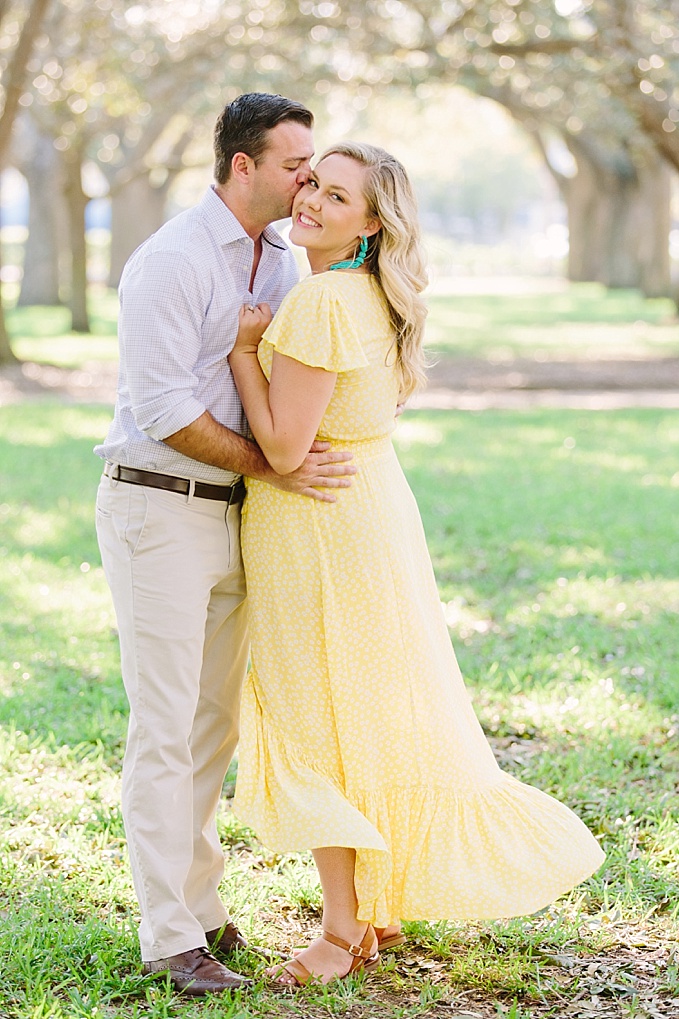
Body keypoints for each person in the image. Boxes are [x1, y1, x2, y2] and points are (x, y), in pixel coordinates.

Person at [227, 141, 606, 986]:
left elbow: (286, 447)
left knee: (318, 721)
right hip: (371, 517)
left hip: (316, 527)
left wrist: (242, 358)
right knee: (368, 713)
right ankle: (373, 907)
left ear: (370, 223)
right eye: (312, 185)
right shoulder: (370, 296)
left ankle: (339, 931)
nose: (313, 202)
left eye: (336, 196)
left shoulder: (322, 299)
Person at [94, 93, 358, 996]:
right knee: (164, 729)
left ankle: (200, 909)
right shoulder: (169, 260)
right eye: (295, 167)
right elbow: (165, 410)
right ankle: (169, 936)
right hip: (158, 507)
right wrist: (276, 466)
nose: (307, 182)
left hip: (239, 514)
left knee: (213, 726)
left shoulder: (285, 257)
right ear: (242, 166)